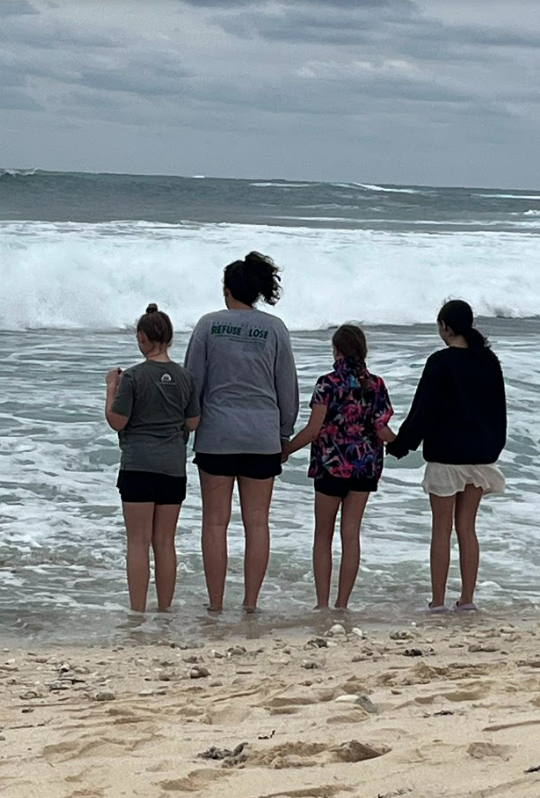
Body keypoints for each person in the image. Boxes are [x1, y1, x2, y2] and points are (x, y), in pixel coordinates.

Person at [185, 252, 299, 613]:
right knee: (257, 523)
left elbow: (193, 384)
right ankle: (250, 603)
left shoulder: (208, 325)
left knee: (215, 523)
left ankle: (216, 603)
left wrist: (188, 427)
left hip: (217, 435)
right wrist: (284, 432)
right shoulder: (275, 328)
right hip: (261, 436)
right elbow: (287, 387)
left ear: (228, 289)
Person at [387, 300, 506, 613]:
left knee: (441, 529)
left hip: (446, 457)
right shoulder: (488, 360)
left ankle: (437, 601)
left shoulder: (440, 362)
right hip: (480, 457)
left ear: (445, 327)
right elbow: (498, 410)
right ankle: (467, 600)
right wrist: (493, 447)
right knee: (467, 527)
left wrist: (401, 445)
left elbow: (423, 411)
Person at [282, 324, 395, 610]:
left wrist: (284, 451)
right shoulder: (376, 384)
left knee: (323, 535)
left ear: (336, 350)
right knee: (351, 534)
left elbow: (312, 430)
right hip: (365, 467)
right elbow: (382, 430)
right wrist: (407, 444)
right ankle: (342, 603)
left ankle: (322, 603)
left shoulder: (327, 383)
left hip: (331, 466)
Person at [105, 304, 200, 614]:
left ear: (142, 337)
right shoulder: (186, 377)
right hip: (173, 469)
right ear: (169, 338)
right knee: (165, 542)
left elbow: (118, 421)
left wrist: (110, 389)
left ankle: (137, 611)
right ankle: (165, 609)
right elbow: (193, 422)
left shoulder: (132, 378)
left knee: (138, 542)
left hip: (139, 466)